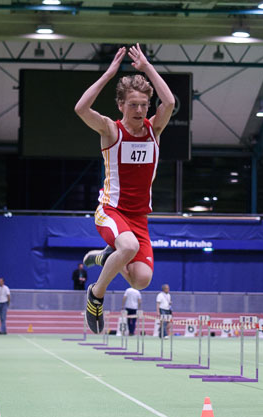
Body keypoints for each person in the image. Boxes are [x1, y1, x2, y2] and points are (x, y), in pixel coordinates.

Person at [75, 43, 175, 333]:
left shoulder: (154, 130)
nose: (140, 110)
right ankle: (96, 295)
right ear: (121, 105)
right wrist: (108, 74)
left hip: (139, 218)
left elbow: (168, 102)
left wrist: (147, 68)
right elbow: (81, 108)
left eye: (144, 105)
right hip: (111, 211)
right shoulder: (110, 130)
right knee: (128, 246)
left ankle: (107, 256)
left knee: (141, 279)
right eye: (133, 104)